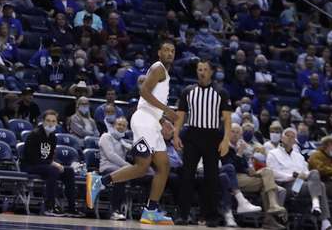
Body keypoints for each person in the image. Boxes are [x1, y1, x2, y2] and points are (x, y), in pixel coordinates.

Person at [87, 40, 178, 225]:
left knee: (164, 166)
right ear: (159, 53)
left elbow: (150, 101)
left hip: (153, 122)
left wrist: (162, 119)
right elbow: (144, 92)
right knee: (142, 166)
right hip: (144, 121)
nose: (170, 53)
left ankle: (150, 211)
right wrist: (166, 110)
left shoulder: (165, 73)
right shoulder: (158, 67)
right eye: (166, 50)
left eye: (173, 51)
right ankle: (99, 181)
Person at [172, 59, 232, 226]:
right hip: (192, 136)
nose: (202, 72)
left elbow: (227, 120)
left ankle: (210, 216)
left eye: (205, 69)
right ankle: (183, 215)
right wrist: (176, 135)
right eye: (199, 69)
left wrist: (226, 140)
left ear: (211, 71)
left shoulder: (221, 92)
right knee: (187, 176)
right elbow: (180, 116)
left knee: (211, 178)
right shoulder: (188, 91)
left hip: (212, 138)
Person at [22, 109, 79, 217]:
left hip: (44, 165)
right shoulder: (34, 135)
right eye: (48, 120)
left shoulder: (53, 137)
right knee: (53, 170)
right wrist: (53, 164)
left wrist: (53, 163)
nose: (50, 123)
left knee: (69, 171)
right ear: (43, 121)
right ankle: (50, 207)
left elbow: (49, 157)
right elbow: (32, 158)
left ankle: (71, 208)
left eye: (53, 121)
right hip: (30, 165)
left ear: (56, 123)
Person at [100, 115, 133, 219]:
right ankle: (114, 210)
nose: (121, 127)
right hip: (107, 168)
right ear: (114, 125)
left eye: (124, 125)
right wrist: (127, 165)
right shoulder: (106, 136)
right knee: (120, 176)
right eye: (119, 124)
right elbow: (111, 155)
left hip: (120, 169)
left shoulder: (122, 141)